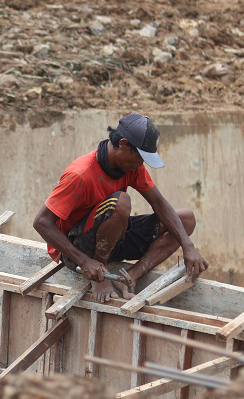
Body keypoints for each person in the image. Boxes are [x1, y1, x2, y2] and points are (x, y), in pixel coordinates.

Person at [32, 114, 208, 302]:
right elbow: (42, 222)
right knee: (121, 202)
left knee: (185, 219)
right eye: (140, 157)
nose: (141, 164)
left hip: (111, 238)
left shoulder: (131, 167)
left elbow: (159, 204)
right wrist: (84, 261)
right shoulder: (80, 174)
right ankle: (100, 271)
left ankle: (131, 276)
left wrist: (187, 245)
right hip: (77, 250)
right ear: (123, 144)